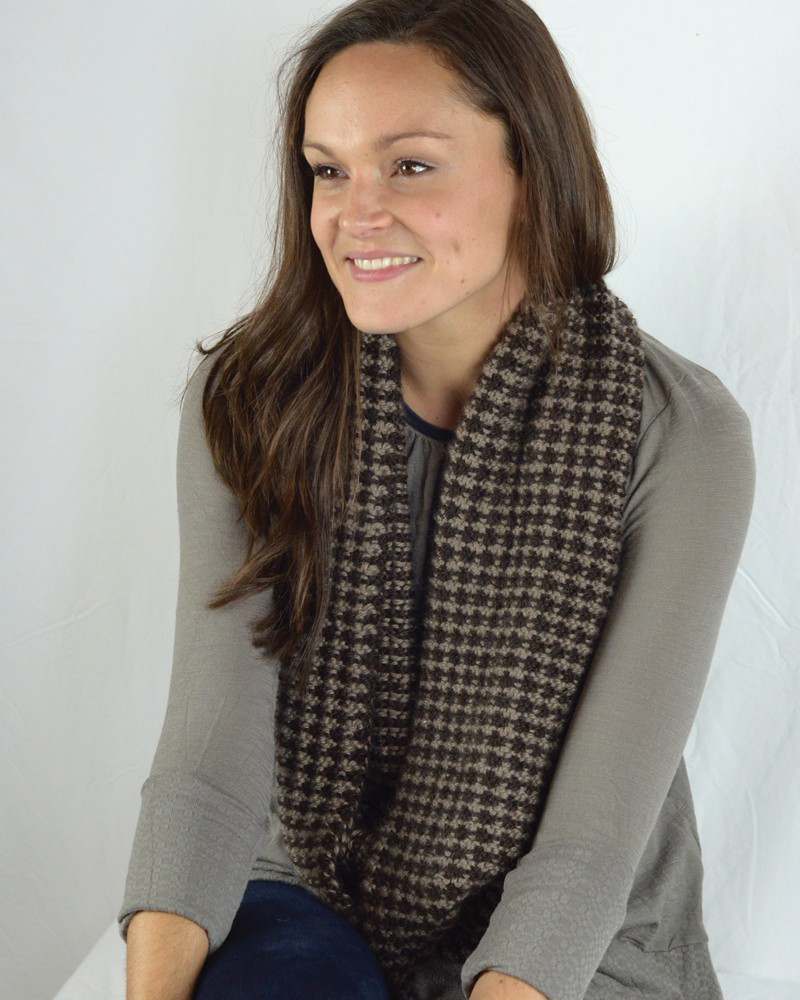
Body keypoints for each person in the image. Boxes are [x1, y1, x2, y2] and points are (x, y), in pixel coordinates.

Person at [118, 2, 756, 999]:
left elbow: (588, 848)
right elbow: (208, 769)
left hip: (585, 937)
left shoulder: (679, 433)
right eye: (328, 170)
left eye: (409, 165)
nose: (354, 212)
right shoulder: (252, 399)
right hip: (314, 888)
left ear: (531, 169)